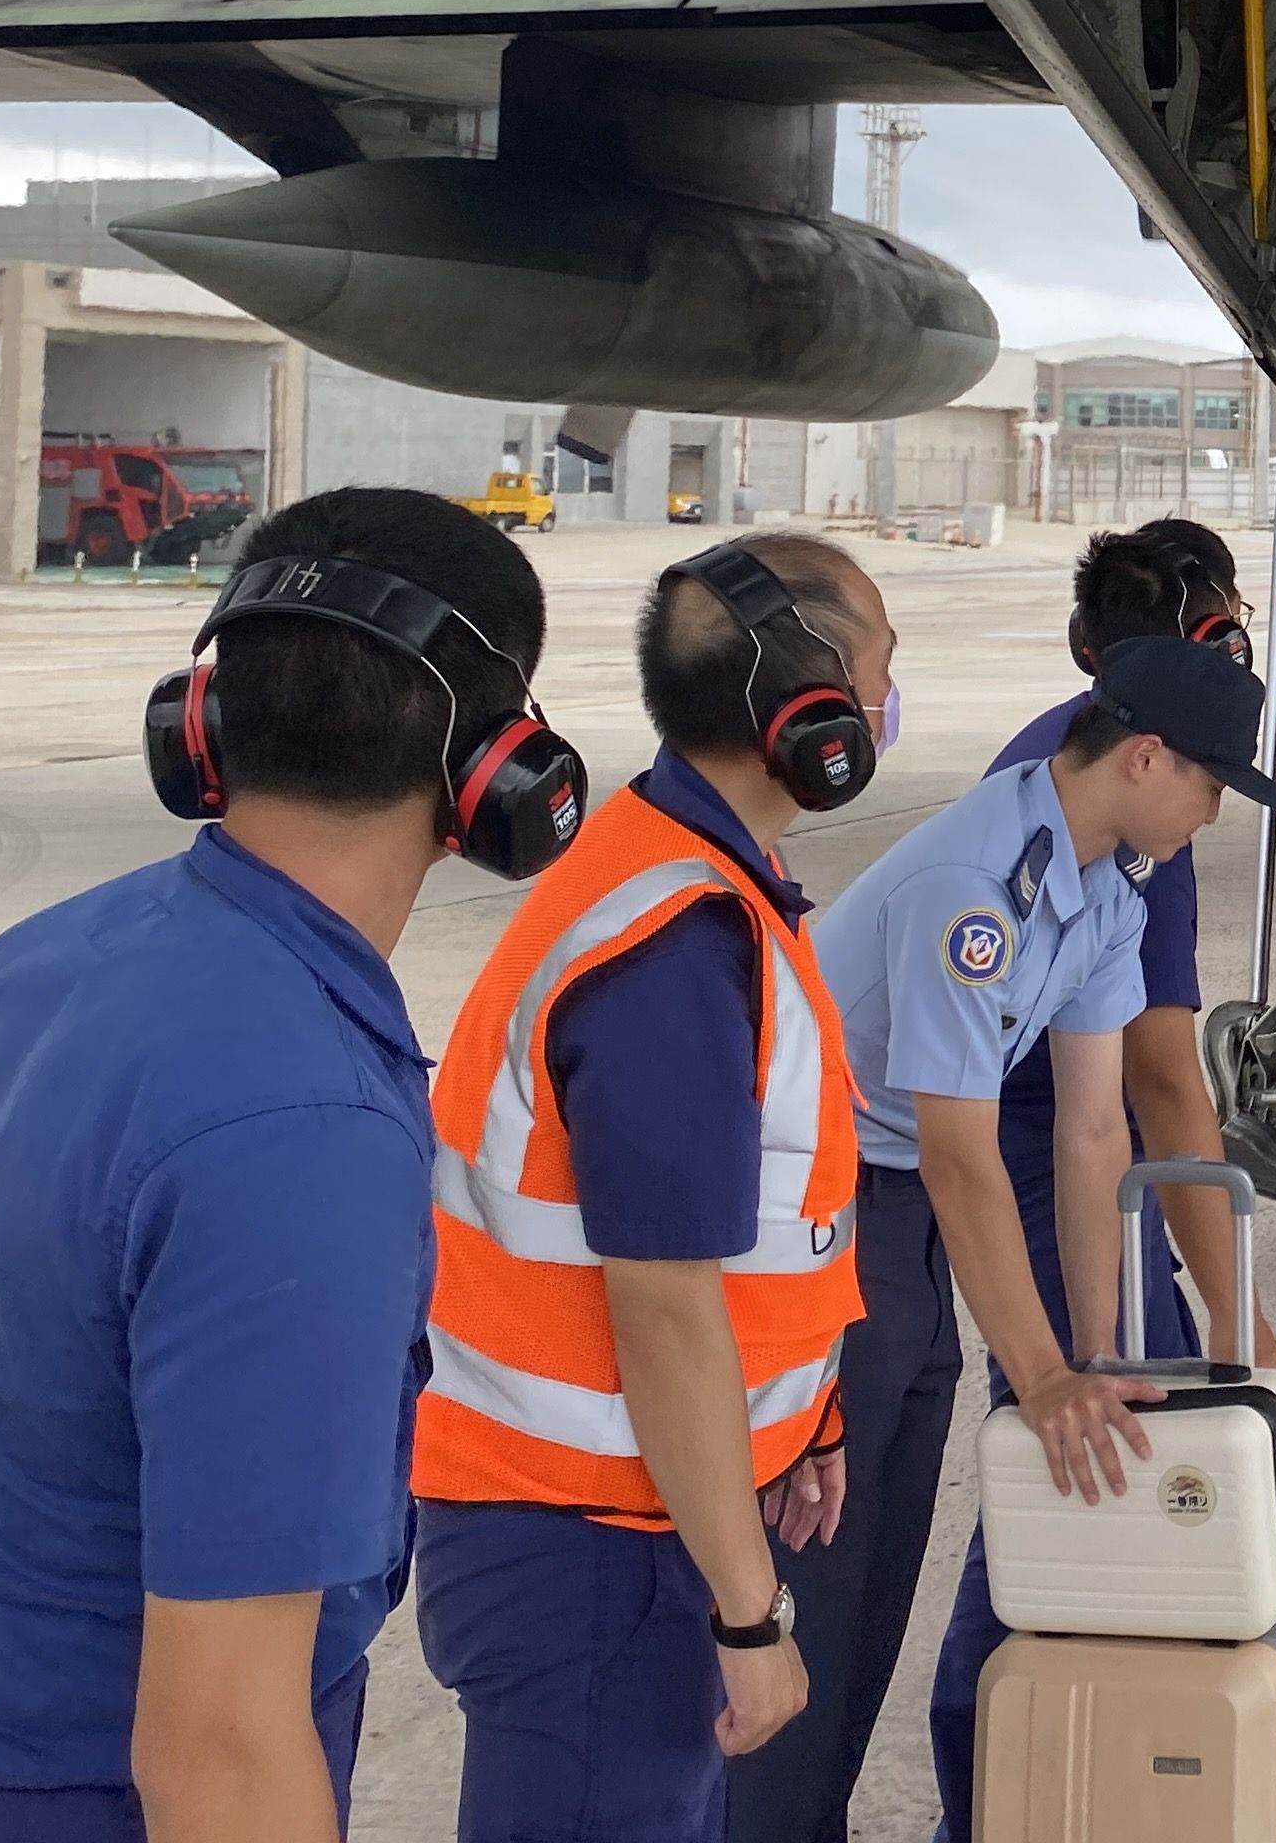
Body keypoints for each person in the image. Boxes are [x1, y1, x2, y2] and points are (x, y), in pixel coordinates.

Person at [0, 488, 566, 1843]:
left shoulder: (41, 963)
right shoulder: (302, 1124)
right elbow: (219, 1748)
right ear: (500, 768)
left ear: (204, 724)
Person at [742, 636, 1276, 1843]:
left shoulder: (1101, 889)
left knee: (888, 1541)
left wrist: (1091, 1358)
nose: (1209, 816)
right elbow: (958, 1155)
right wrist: (1038, 1376)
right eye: (1209, 787)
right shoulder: (976, 890)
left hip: (899, 1213)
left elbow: (1093, 1134)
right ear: (1146, 757)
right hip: (823, 1209)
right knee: (821, 1554)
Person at [414, 539, 887, 1843]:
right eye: (881, 668)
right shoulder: (673, 944)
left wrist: (801, 1428)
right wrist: (753, 1609)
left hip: (634, 1515)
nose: (889, 701)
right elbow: (666, 1302)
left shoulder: (686, 876)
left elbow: (757, 1241)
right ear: (812, 708)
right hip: (594, 1550)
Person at [916, 522, 1276, 1843]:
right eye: (1230, 622)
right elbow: (1164, 1085)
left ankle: (1055, 1752)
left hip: (1041, 1128)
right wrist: (1242, 1315)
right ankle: (1000, 1761)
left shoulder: (1089, 761)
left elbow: (1118, 1103)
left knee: (1114, 1401)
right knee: (1092, 1421)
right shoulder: (1123, 817)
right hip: (996, 1137)